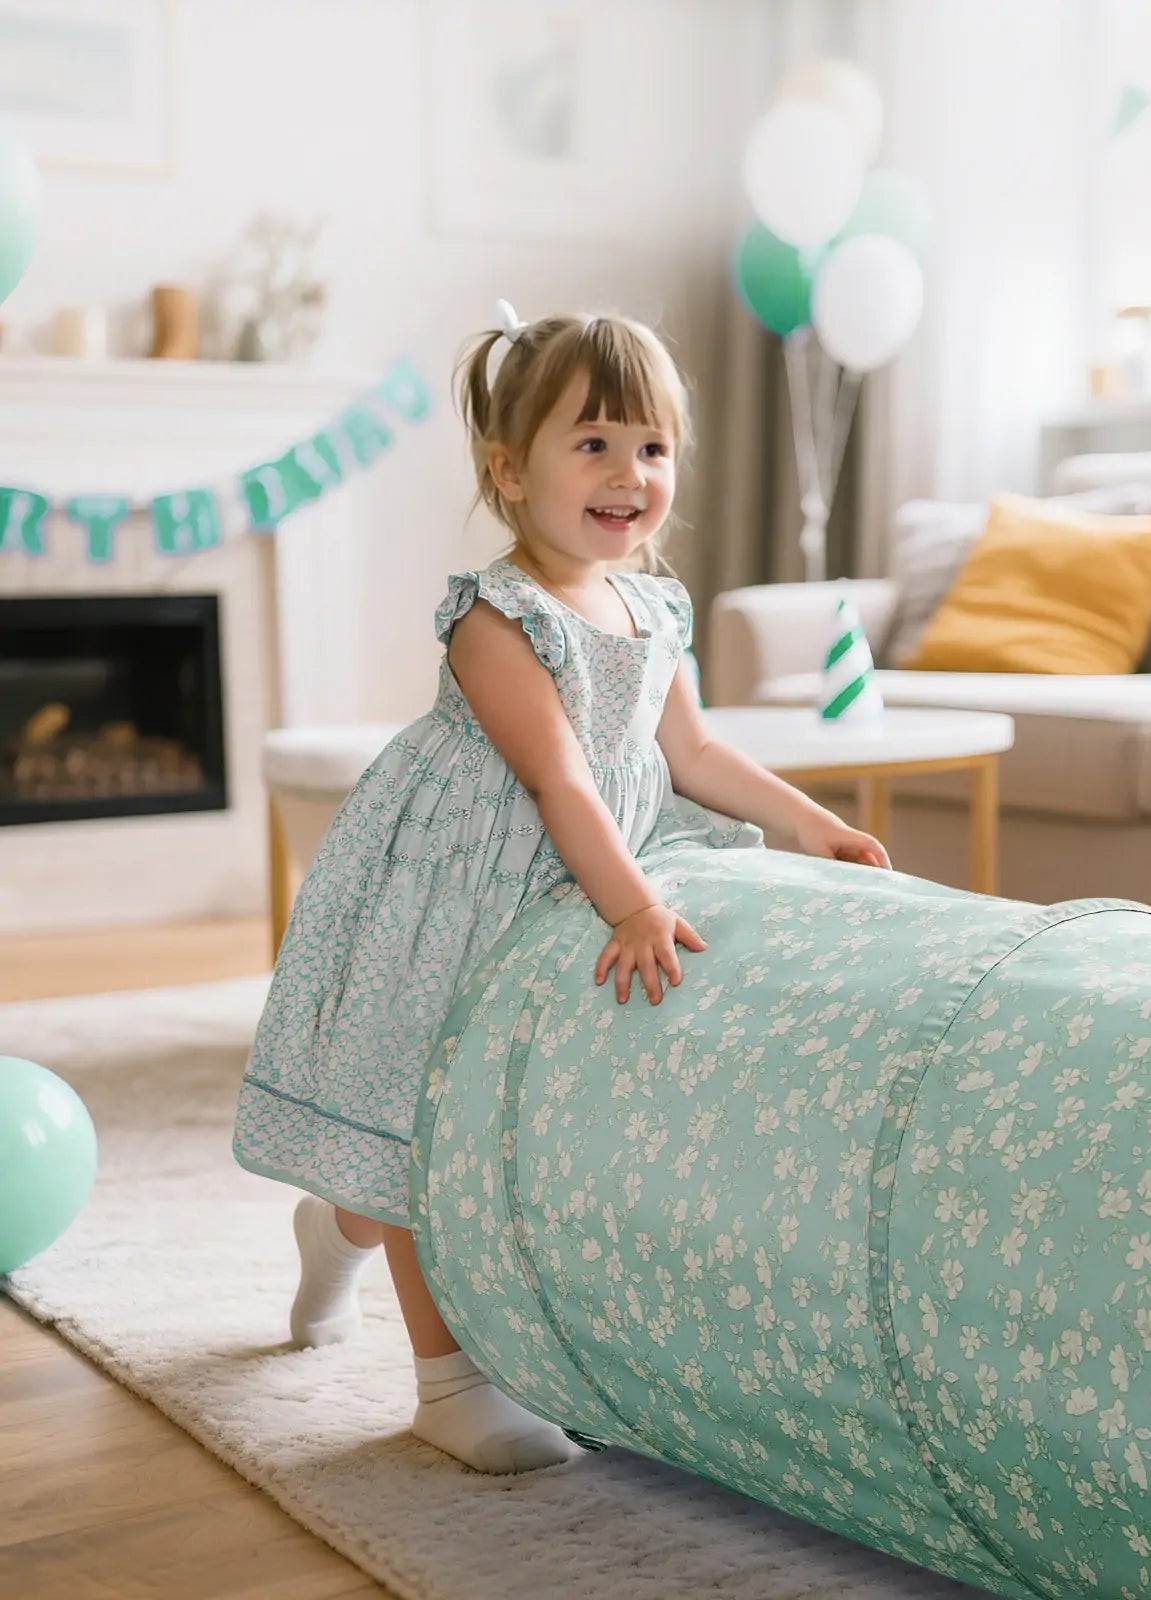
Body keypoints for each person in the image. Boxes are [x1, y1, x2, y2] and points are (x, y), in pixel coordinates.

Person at [233, 302, 890, 1473]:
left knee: (522, 1117)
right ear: (509, 470)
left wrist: (810, 821)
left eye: (652, 446)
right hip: (467, 885)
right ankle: (445, 1380)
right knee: (422, 1120)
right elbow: (559, 780)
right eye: (593, 443)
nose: (629, 473)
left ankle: (338, 1227)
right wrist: (630, 905)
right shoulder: (497, 616)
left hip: (586, 869)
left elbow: (693, 752)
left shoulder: (656, 605)